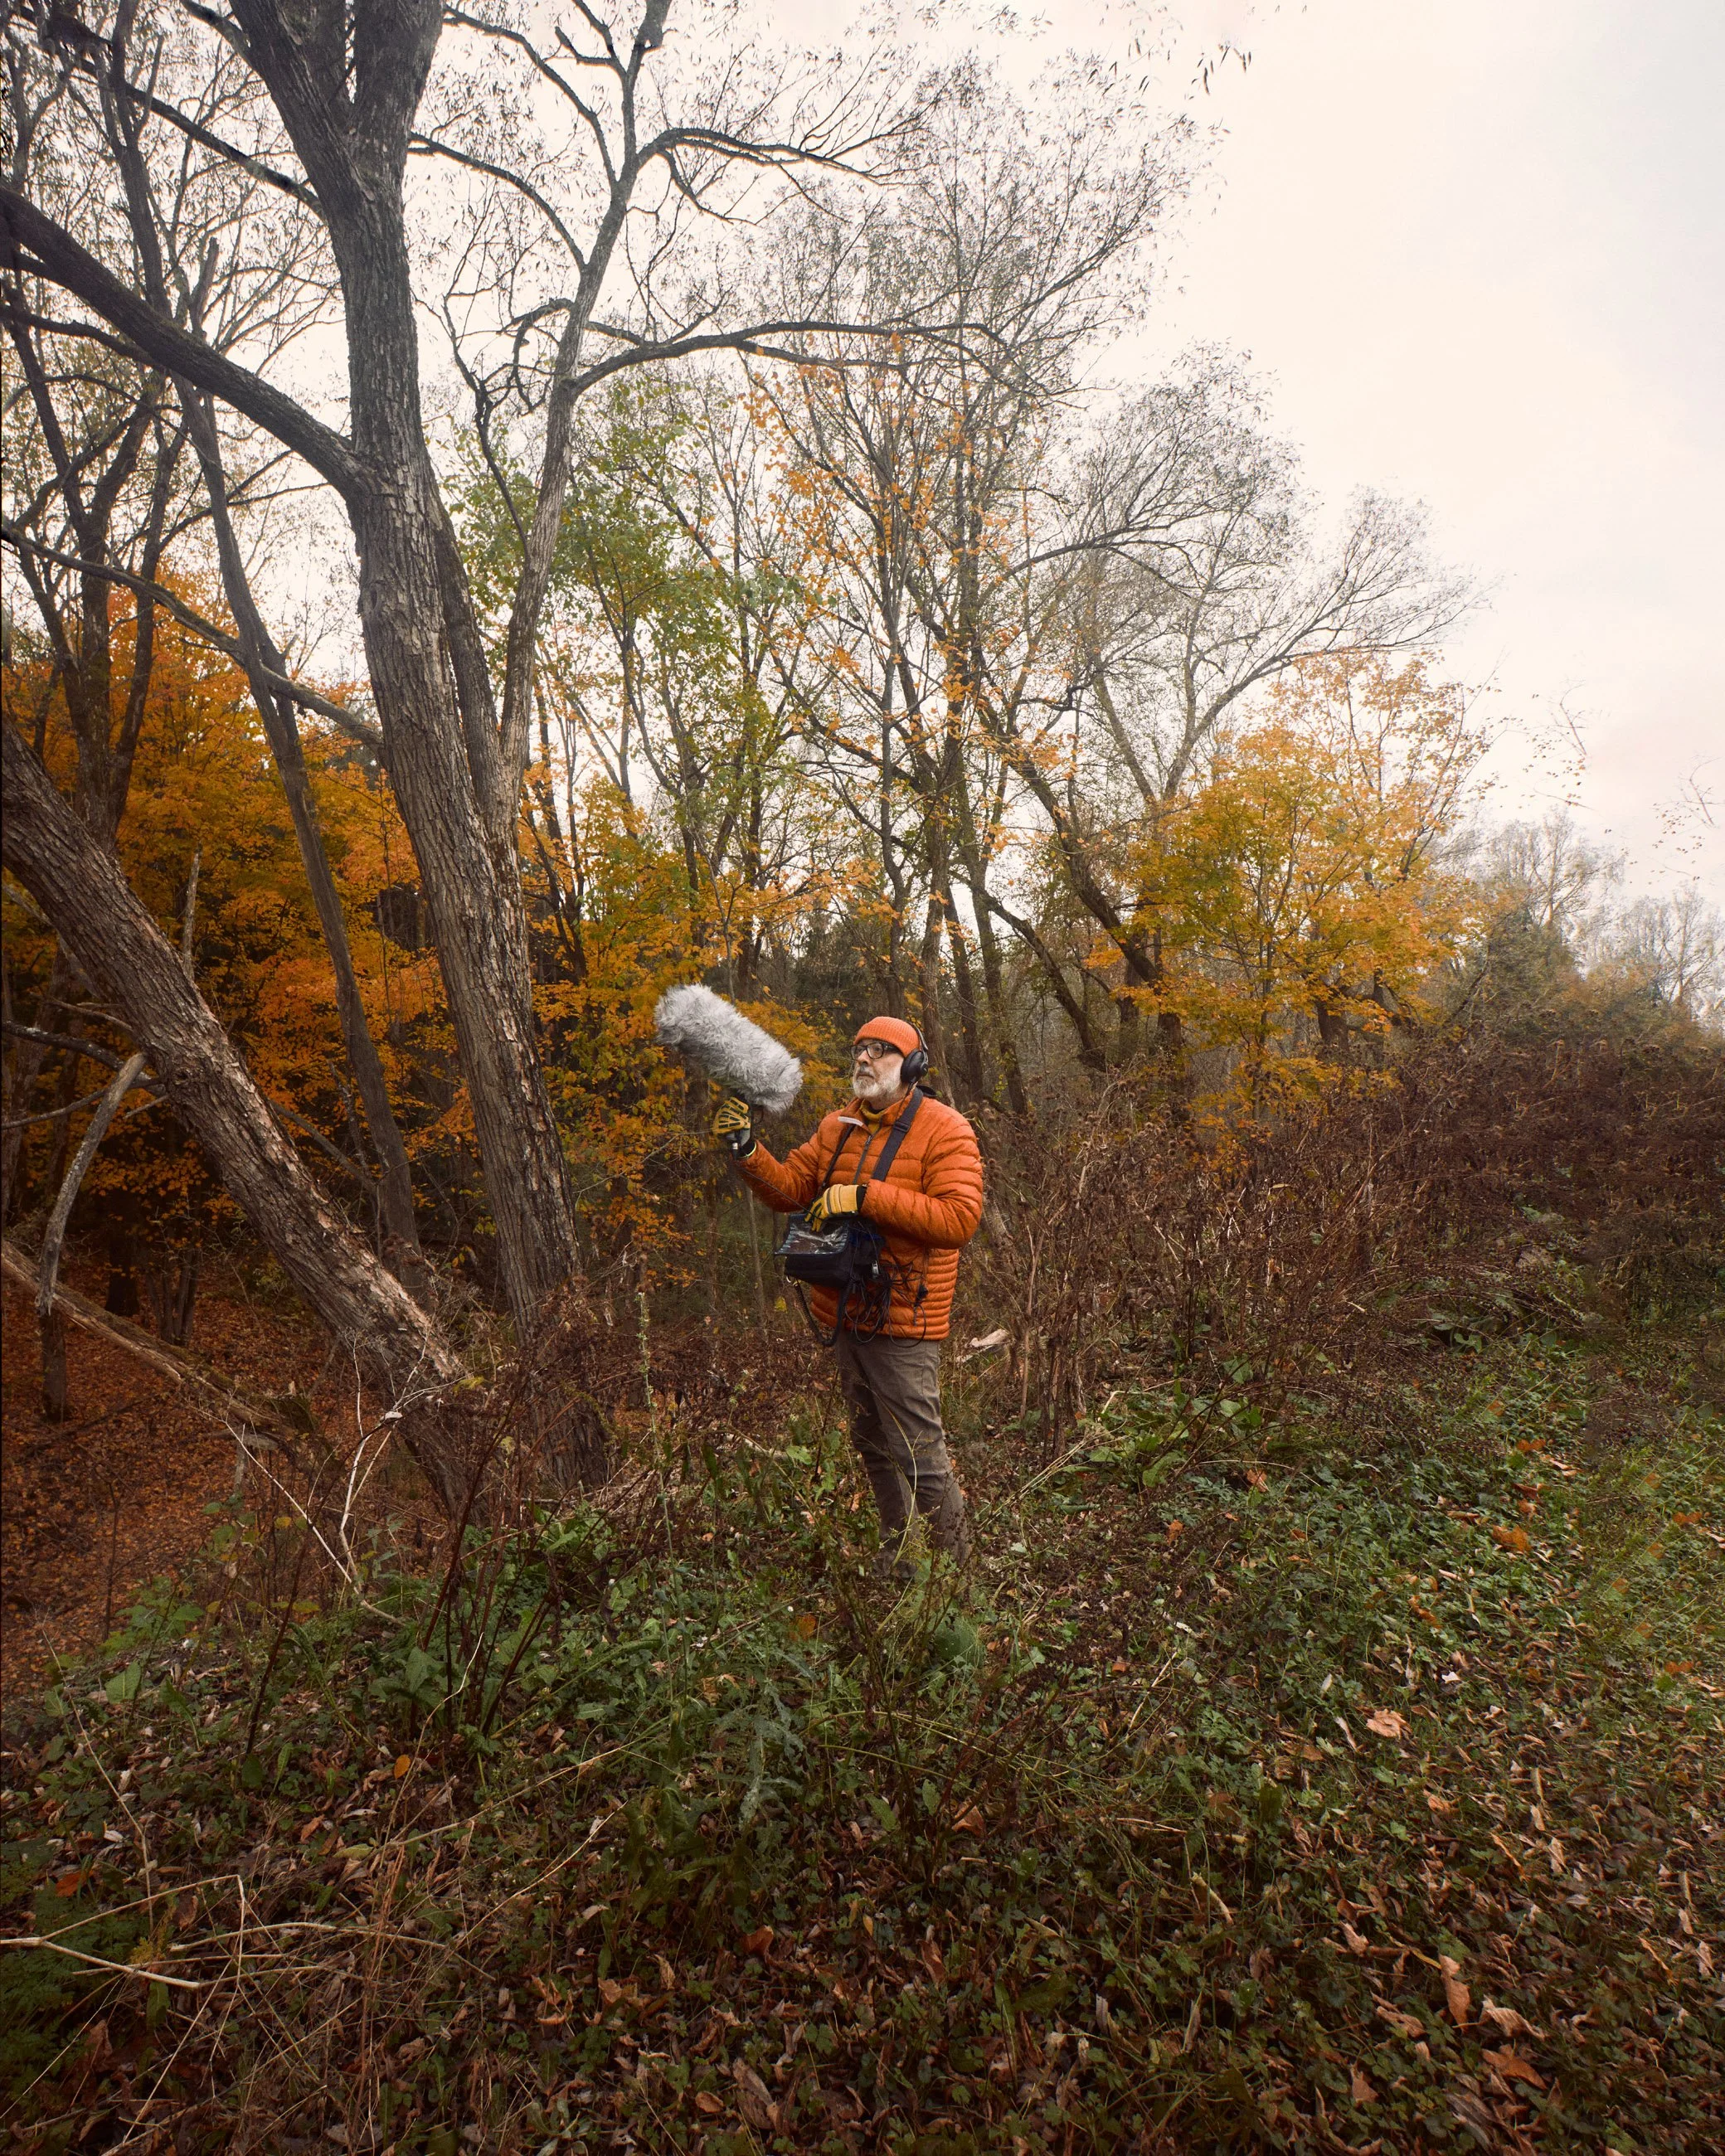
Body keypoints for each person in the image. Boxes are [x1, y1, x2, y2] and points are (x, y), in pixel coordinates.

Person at [713, 1018, 984, 1571]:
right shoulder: (838, 1126)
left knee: (922, 1458)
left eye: (880, 1052)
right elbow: (789, 1189)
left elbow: (959, 1220)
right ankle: (901, 1560)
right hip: (845, 1310)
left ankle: (956, 1586)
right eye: (859, 1049)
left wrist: (861, 1196)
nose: (864, 1059)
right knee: (872, 1445)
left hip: (905, 1320)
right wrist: (746, 1149)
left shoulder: (945, 1129)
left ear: (912, 1067)